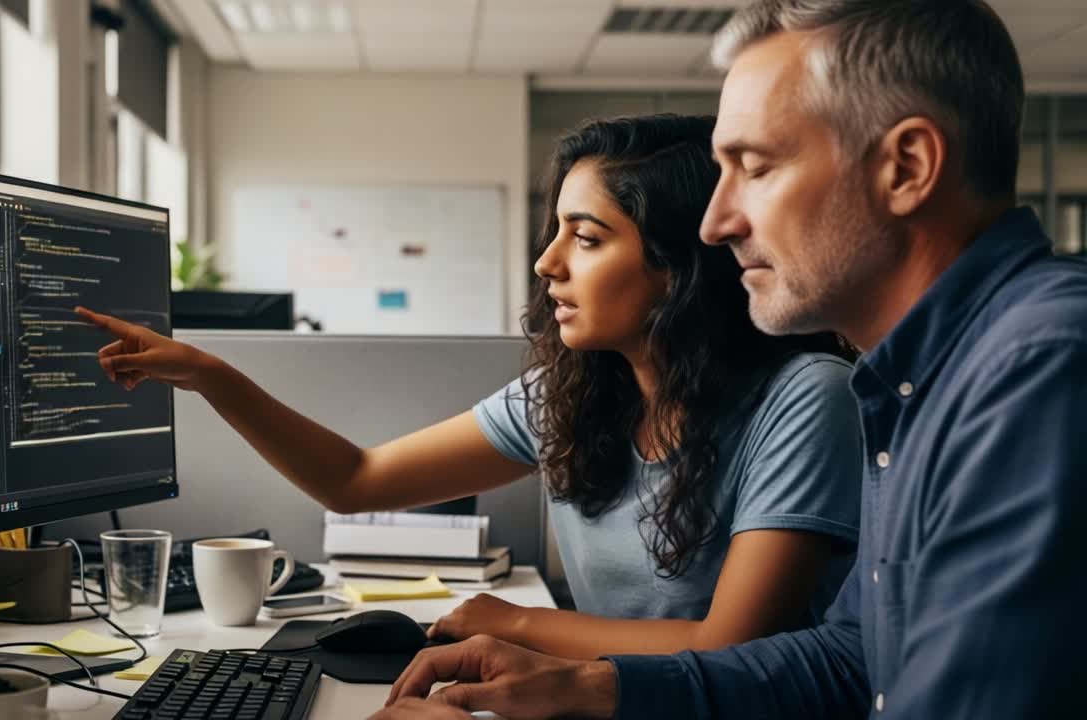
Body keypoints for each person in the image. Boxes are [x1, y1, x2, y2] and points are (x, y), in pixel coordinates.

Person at [374, 1, 1087, 718]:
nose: (717, 223)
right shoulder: (916, 379)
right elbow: (851, 659)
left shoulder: (1040, 369)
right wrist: (582, 686)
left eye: (755, 166)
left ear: (906, 167)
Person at [77, 114, 862, 662]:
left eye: (586, 238)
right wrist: (213, 378)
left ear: (679, 270)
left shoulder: (804, 399)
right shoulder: (578, 393)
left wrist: (515, 623)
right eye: (555, 231)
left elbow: (732, 645)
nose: (547, 262)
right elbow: (357, 481)